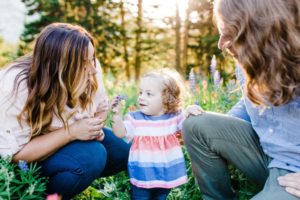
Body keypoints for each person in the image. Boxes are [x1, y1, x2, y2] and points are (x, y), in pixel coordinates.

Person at [182, 0, 300, 199]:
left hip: (293, 171)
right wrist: (219, 130)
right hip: (266, 153)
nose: (221, 44)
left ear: (259, 30)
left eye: (229, 34)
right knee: (195, 124)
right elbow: (254, 103)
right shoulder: (249, 58)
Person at [0, 23, 130, 199]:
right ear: (59, 68)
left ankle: (69, 177)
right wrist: (71, 132)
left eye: (92, 58)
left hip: (64, 137)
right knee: (92, 156)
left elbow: (101, 105)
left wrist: (94, 127)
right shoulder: (16, 87)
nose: (92, 69)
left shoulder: (90, 64)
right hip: (27, 156)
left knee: (122, 152)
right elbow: (16, 155)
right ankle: (36, 192)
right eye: (84, 63)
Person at [110, 69, 203, 200]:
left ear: (166, 99)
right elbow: (120, 133)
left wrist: (189, 111)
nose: (141, 97)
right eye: (140, 92)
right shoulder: (135, 119)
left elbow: (188, 125)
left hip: (166, 175)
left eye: (149, 94)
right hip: (142, 175)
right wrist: (117, 116)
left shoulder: (175, 117)